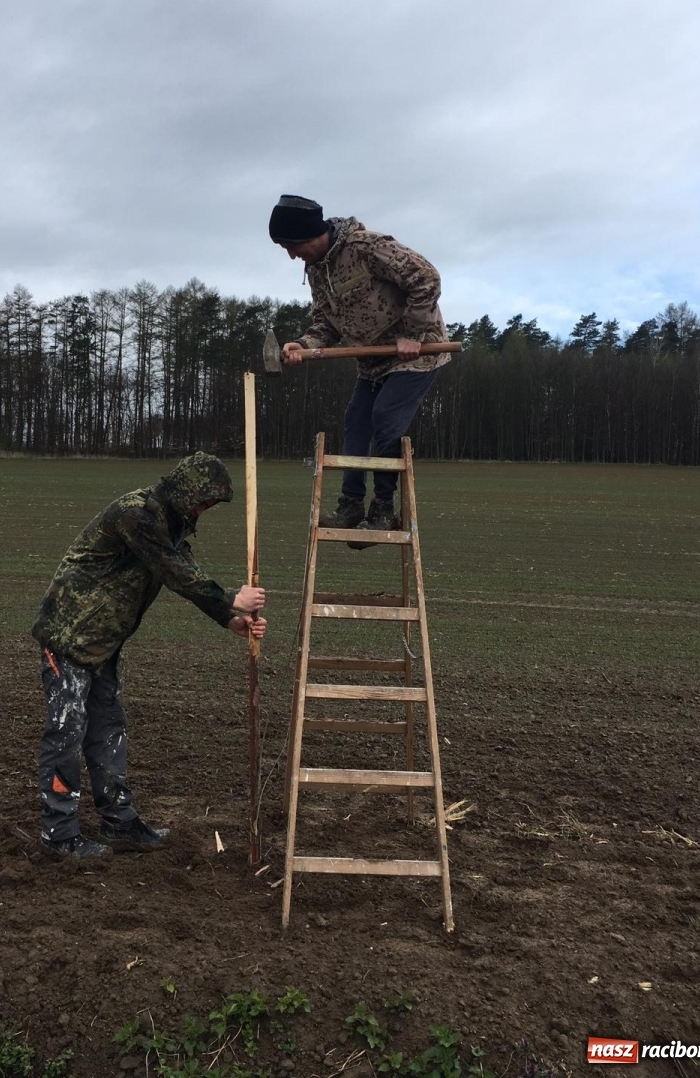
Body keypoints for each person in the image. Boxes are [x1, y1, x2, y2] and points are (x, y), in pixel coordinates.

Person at [31, 452, 266, 859]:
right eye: (204, 501)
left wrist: (231, 619)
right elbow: (175, 572)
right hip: (69, 637)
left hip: (103, 643)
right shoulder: (136, 515)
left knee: (108, 730)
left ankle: (119, 822)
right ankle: (59, 833)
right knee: (67, 731)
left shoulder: (170, 528)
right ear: (186, 491)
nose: (205, 510)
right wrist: (232, 597)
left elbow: (183, 569)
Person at [269, 194, 450, 542]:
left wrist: (413, 334)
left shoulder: (367, 247)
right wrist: (303, 345)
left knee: (385, 419)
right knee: (356, 423)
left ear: (312, 234)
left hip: (417, 356)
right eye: (285, 249)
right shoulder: (317, 270)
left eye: (293, 246)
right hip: (372, 363)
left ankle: (383, 508)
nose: (293, 255)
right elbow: (326, 323)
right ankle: (351, 504)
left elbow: (426, 278)